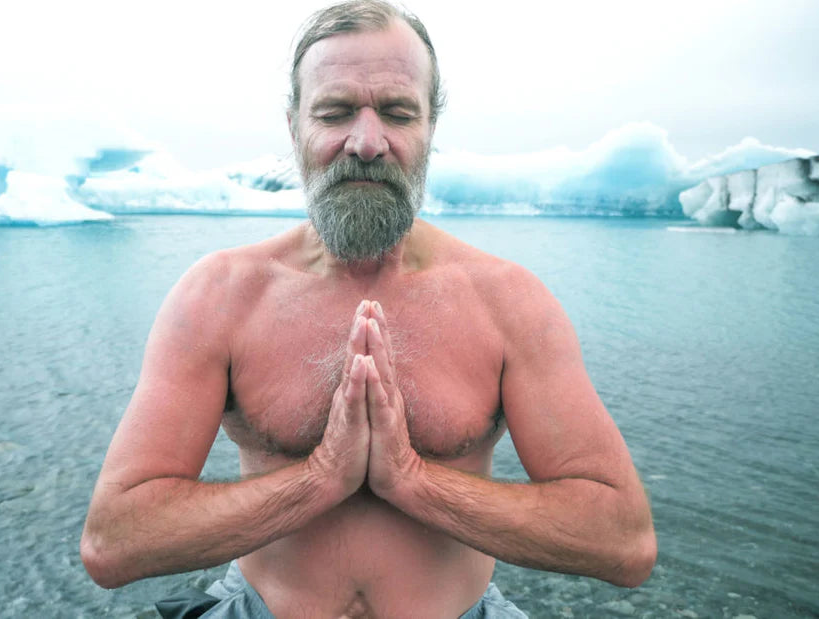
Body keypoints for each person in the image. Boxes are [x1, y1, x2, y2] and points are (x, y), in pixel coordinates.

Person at [80, 1, 656, 616]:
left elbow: (622, 542)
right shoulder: (219, 296)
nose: (366, 142)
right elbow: (115, 542)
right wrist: (318, 480)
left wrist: (413, 480)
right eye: (334, 113)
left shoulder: (507, 302)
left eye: (398, 113)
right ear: (294, 128)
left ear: (430, 128)